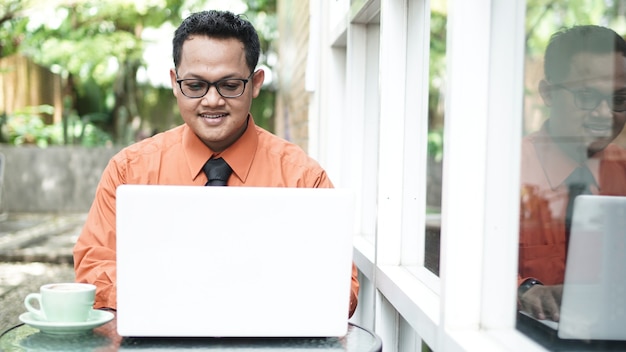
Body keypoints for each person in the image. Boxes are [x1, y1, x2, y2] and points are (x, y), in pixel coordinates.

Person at [73, 10, 359, 317]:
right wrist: (179, 293)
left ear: (256, 82)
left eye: (230, 85)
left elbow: (342, 290)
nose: (211, 101)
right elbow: (92, 269)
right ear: (174, 81)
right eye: (195, 86)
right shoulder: (128, 171)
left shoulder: (303, 179)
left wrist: (227, 293)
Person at [518, 25, 626, 322]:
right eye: (587, 96)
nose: (605, 114)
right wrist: (525, 289)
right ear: (548, 94)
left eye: (619, 99)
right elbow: (466, 265)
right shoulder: (506, 172)